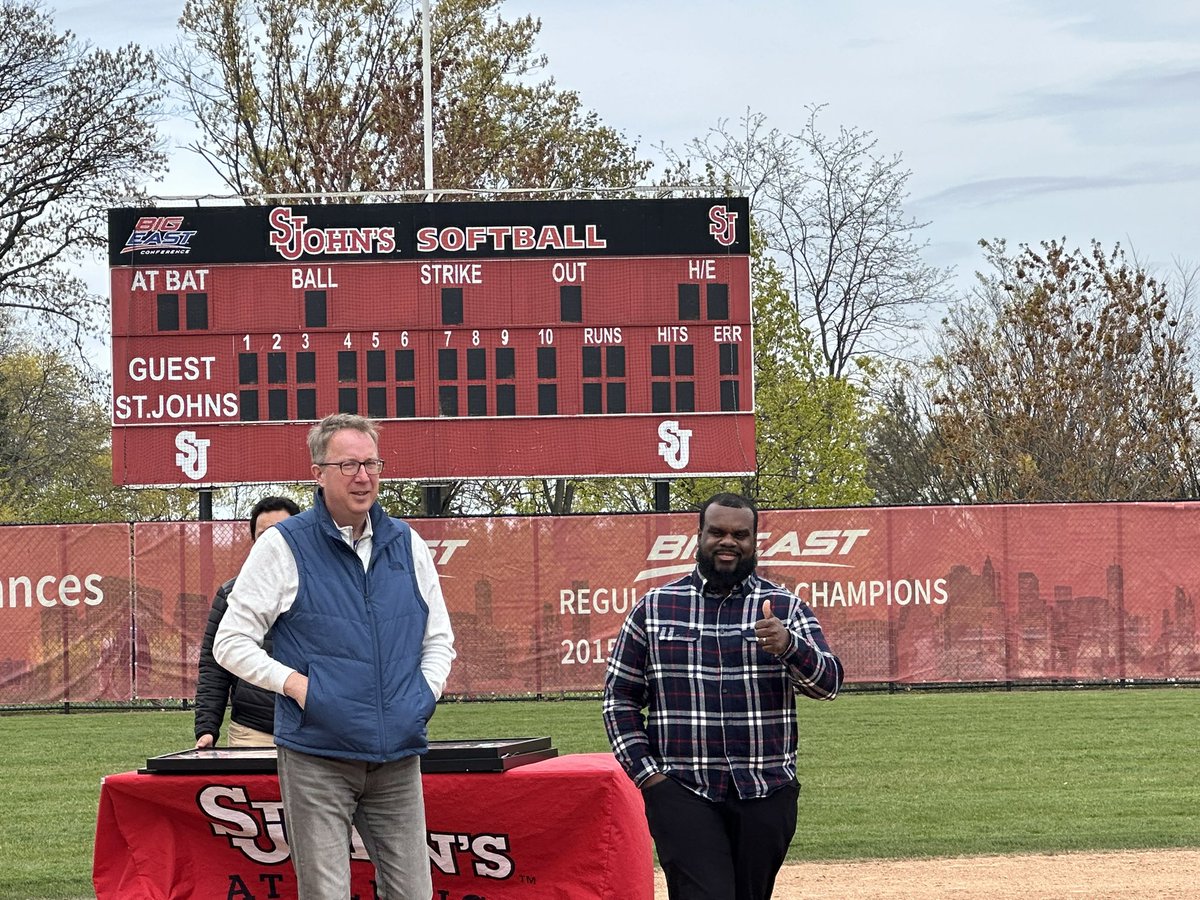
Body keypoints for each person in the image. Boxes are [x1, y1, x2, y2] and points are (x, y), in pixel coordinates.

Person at [214, 413, 456, 899]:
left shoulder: (407, 543)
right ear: (318, 473)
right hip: (317, 755)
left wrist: (421, 697)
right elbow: (230, 642)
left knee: (414, 892)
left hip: (397, 756)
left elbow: (439, 639)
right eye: (348, 465)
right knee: (326, 893)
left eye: (371, 463)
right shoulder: (284, 546)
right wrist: (301, 688)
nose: (363, 476)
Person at [602, 492, 844, 900]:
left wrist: (789, 646)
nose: (728, 541)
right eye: (717, 532)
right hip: (682, 788)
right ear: (699, 536)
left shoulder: (784, 607)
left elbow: (829, 684)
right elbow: (620, 698)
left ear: (754, 542)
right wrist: (649, 776)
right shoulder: (655, 607)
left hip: (766, 789)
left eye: (740, 534)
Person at [194, 496, 300, 749]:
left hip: (315, 733)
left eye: (282, 533)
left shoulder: (328, 590)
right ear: (253, 542)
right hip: (252, 731)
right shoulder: (231, 593)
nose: (274, 542)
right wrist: (207, 727)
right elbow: (214, 664)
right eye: (264, 535)